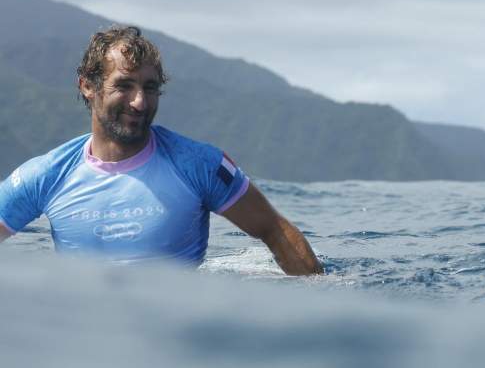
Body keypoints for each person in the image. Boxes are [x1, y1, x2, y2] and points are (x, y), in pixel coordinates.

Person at [0, 25, 322, 275]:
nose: (139, 102)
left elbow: (274, 230)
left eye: (150, 88)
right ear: (87, 85)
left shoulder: (200, 164)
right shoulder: (45, 174)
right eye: (124, 86)